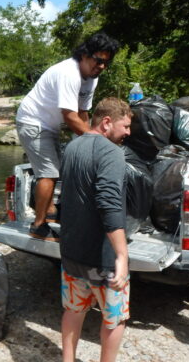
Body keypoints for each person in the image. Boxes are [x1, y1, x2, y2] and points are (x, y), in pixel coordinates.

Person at [16, 32, 120, 241]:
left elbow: (83, 113)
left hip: (50, 125)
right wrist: (98, 140)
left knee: (59, 168)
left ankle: (51, 211)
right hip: (33, 122)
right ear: (84, 55)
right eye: (98, 61)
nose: (101, 67)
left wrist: (90, 142)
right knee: (49, 173)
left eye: (106, 63)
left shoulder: (91, 78)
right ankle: (38, 226)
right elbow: (70, 117)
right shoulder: (68, 73)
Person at [59, 97, 132, 362]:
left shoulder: (71, 147)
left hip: (71, 253)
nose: (128, 132)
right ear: (106, 122)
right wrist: (122, 256)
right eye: (125, 125)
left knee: (74, 310)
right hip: (102, 260)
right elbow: (109, 204)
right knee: (114, 319)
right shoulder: (112, 153)